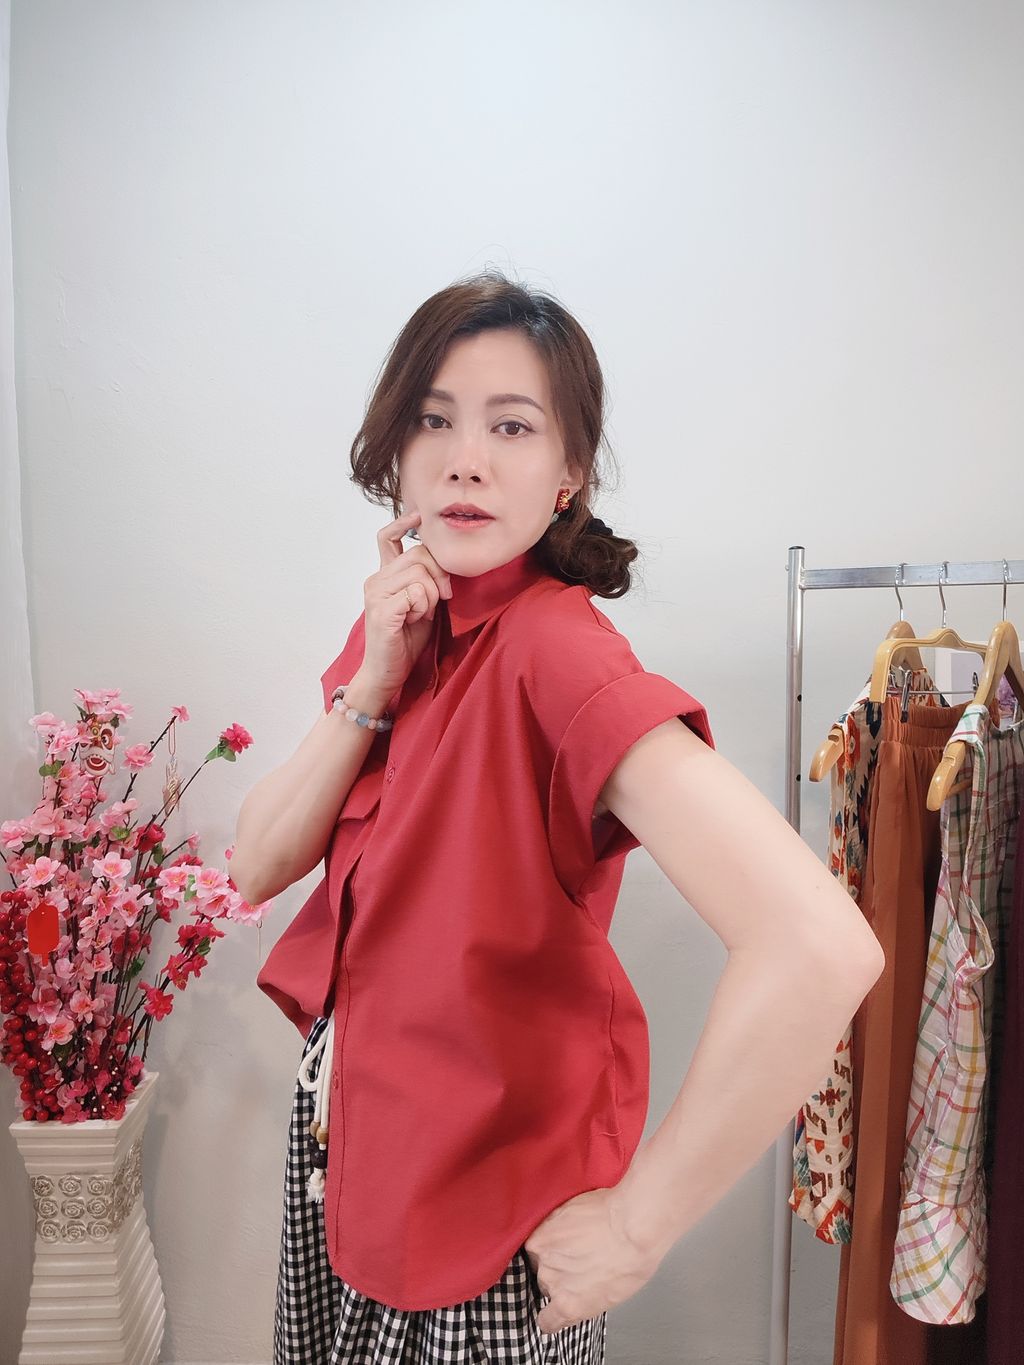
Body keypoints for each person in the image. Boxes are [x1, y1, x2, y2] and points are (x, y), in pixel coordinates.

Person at [230, 269, 884, 1365]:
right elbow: (254, 862)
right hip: (348, 1169)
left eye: (511, 426)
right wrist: (375, 678)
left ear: (569, 471)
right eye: (433, 419)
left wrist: (638, 1228)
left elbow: (821, 947)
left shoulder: (554, 652)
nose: (464, 459)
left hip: (473, 1237)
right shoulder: (409, 625)